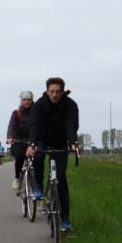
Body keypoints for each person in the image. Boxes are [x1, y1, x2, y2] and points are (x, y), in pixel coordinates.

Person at [27, 78, 80, 232]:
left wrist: (73, 142)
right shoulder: (39, 105)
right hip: (43, 140)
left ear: (62, 91)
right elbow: (34, 126)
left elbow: (71, 125)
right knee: (38, 156)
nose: (55, 95)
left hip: (60, 142)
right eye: (52, 91)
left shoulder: (70, 105)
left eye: (57, 91)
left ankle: (65, 220)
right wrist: (32, 144)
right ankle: (38, 187)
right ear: (47, 91)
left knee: (61, 179)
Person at [6, 91, 35, 192]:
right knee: (19, 155)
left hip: (32, 140)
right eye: (24, 100)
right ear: (21, 101)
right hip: (19, 141)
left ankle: (36, 183)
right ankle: (17, 178)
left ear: (32, 100)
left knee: (38, 158)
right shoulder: (16, 113)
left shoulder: (36, 112)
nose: (27, 102)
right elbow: (11, 126)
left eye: (29, 99)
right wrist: (10, 137)